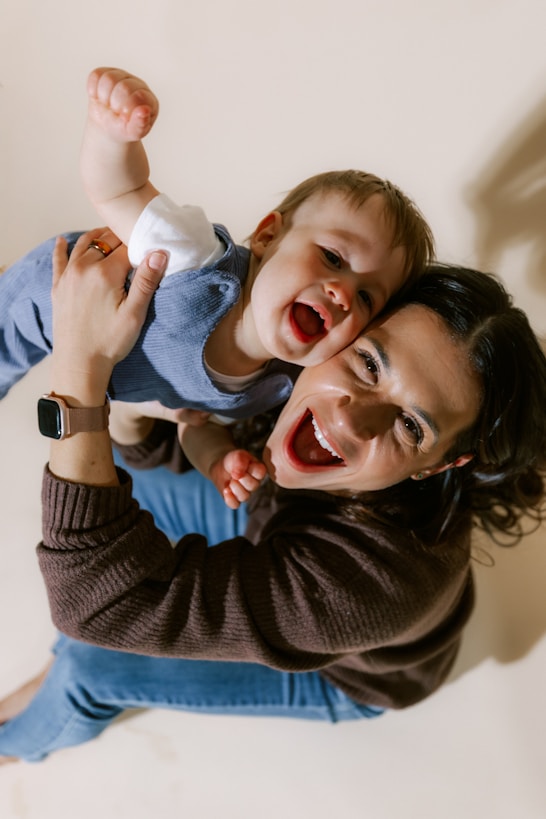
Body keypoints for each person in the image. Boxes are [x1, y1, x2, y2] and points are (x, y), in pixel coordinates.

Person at [1, 233, 545, 764]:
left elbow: (95, 606)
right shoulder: (296, 355)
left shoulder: (372, 585)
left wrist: (79, 368)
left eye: (410, 426)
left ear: (438, 465)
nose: (351, 420)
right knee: (109, 483)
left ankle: (11, 743)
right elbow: (160, 448)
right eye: (369, 364)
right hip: (275, 531)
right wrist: (135, 412)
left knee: (90, 668)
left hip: (341, 670)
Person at [0, 67, 434, 504]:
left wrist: (217, 461)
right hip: (46, 298)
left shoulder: (274, 386)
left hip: (87, 365)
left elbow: (194, 423)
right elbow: (119, 191)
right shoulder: (198, 258)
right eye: (333, 258)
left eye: (366, 297)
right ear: (267, 236)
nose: (342, 293)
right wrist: (112, 133)